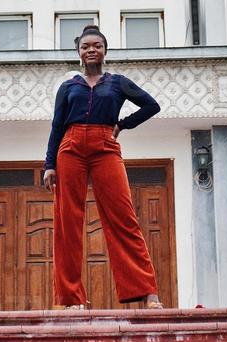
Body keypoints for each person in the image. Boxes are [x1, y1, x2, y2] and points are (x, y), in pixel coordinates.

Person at [43, 24, 164, 309]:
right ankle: (71, 300)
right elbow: (57, 125)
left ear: (104, 50)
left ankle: (149, 293)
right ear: (79, 53)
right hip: (70, 148)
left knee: (124, 217)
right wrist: (49, 163)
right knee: (67, 223)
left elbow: (151, 106)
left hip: (105, 146)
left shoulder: (117, 82)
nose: (91, 50)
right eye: (85, 46)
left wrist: (122, 125)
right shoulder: (68, 86)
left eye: (96, 45)